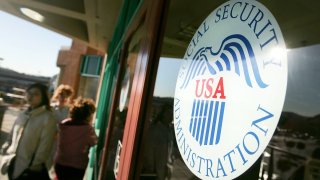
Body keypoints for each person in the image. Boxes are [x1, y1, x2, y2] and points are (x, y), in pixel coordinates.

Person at [0, 83, 56, 179]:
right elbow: (12, 133)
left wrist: (35, 165)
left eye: (36, 94)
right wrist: (6, 147)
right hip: (12, 162)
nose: (31, 96)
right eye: (29, 93)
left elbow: (45, 145)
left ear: (43, 97)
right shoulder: (23, 114)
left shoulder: (48, 118)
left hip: (29, 168)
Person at [54, 97, 98, 180]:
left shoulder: (64, 124)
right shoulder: (88, 129)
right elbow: (94, 142)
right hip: (77, 166)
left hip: (60, 163)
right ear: (88, 116)